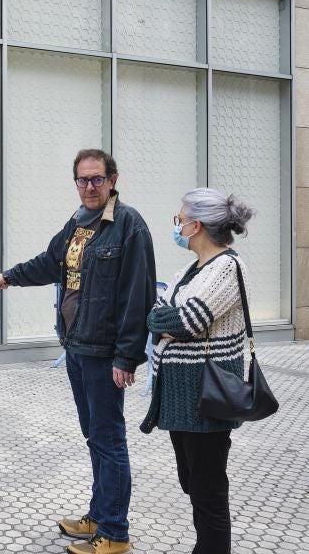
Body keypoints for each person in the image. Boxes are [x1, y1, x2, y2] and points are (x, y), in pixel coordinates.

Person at [0, 149, 156, 554]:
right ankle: (99, 515)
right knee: (94, 437)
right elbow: (50, 263)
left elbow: (139, 296)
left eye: (97, 179)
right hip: (77, 345)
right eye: (82, 180)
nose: (89, 187)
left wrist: (127, 357)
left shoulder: (129, 226)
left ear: (113, 179)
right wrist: (10, 277)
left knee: (109, 439)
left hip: (103, 351)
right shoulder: (77, 224)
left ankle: (115, 533)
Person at [140, 188, 255, 554]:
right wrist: (162, 319)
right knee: (192, 483)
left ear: (197, 225)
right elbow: (157, 316)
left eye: (180, 218)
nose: (177, 224)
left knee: (208, 491)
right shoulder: (189, 271)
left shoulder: (228, 268)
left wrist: (164, 319)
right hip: (181, 400)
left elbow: (188, 320)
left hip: (207, 397)